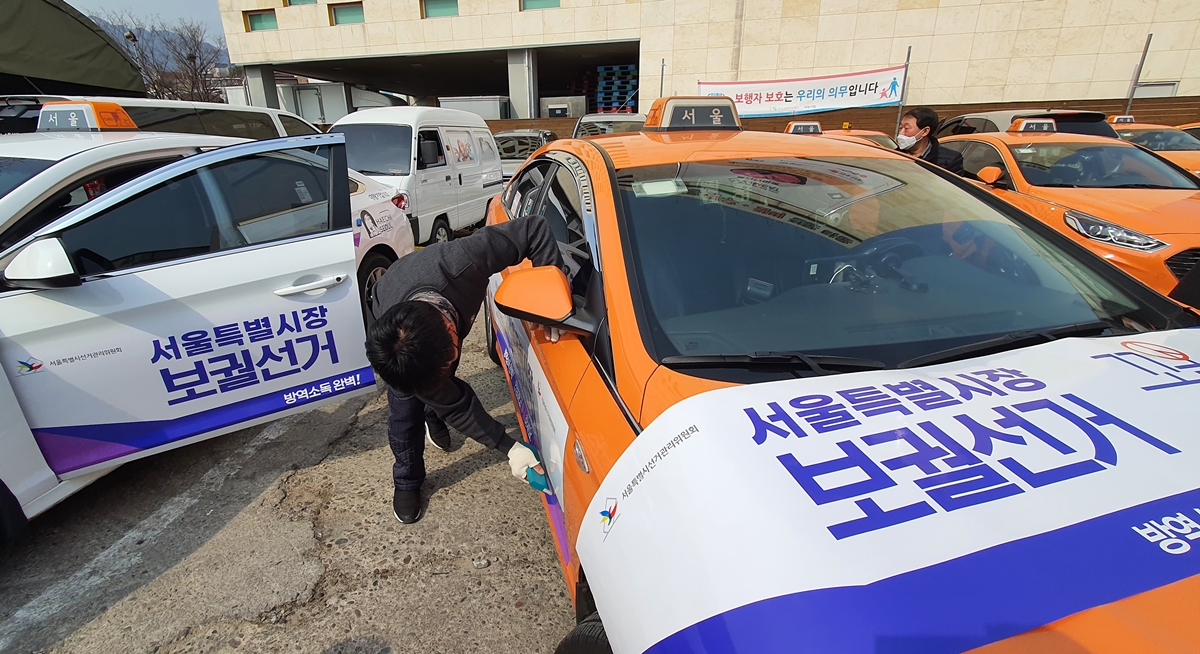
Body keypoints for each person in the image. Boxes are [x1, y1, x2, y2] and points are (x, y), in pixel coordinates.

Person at [365, 213, 565, 524]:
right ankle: (406, 480)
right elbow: (454, 402)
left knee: (440, 387)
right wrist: (509, 446)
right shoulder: (397, 353)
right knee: (404, 414)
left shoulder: (465, 260)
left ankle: (434, 412)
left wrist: (554, 299)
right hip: (390, 307)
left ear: (449, 327)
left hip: (429, 304)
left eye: (450, 355)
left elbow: (534, 228)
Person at [897, 106, 965, 176]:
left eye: (906, 128)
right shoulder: (894, 155)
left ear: (925, 131)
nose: (901, 132)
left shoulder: (950, 160)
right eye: (900, 127)